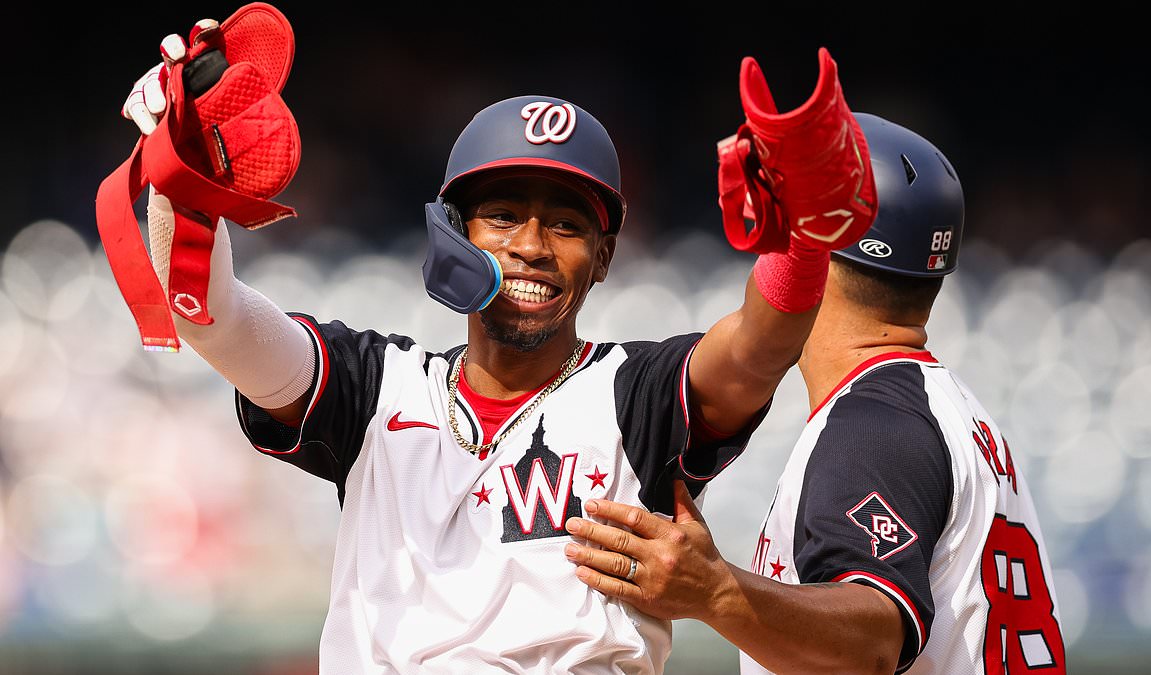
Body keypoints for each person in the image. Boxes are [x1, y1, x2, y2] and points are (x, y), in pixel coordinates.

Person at [112, 14, 879, 674]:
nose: (533, 246)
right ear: (454, 230)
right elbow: (210, 317)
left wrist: (804, 243)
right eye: (503, 213)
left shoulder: (635, 393)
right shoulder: (374, 387)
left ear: (605, 257)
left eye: (569, 224)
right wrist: (180, 182)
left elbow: (754, 349)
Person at [565, 114, 1067, 674]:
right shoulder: (953, 411)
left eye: (782, 239)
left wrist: (717, 592)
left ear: (812, 258)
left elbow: (870, 642)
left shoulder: (871, 422)